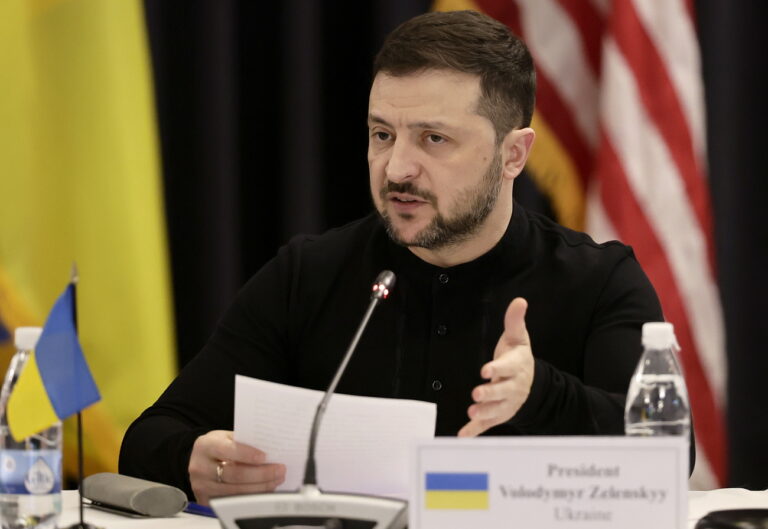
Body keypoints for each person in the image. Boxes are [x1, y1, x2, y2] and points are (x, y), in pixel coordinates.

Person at [120, 10, 680, 505]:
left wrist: (542, 396)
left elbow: (670, 458)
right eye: (383, 135)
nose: (397, 169)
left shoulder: (600, 280)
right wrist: (196, 460)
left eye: (433, 139)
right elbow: (149, 437)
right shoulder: (309, 275)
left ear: (514, 154)